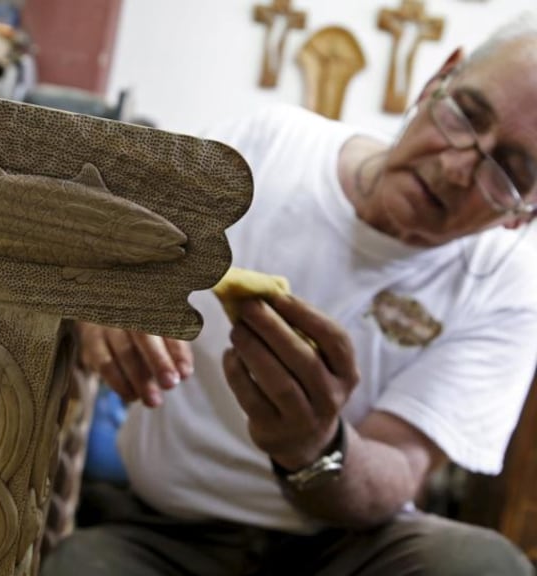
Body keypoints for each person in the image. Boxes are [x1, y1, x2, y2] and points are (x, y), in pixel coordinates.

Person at [41, 13, 537, 576]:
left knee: (485, 567)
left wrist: (317, 447)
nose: (455, 168)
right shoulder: (264, 148)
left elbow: (401, 466)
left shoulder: (508, 287)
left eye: (511, 173)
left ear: (525, 216)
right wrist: (105, 299)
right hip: (163, 532)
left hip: (343, 550)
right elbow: (108, 251)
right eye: (465, 115)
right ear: (436, 81)